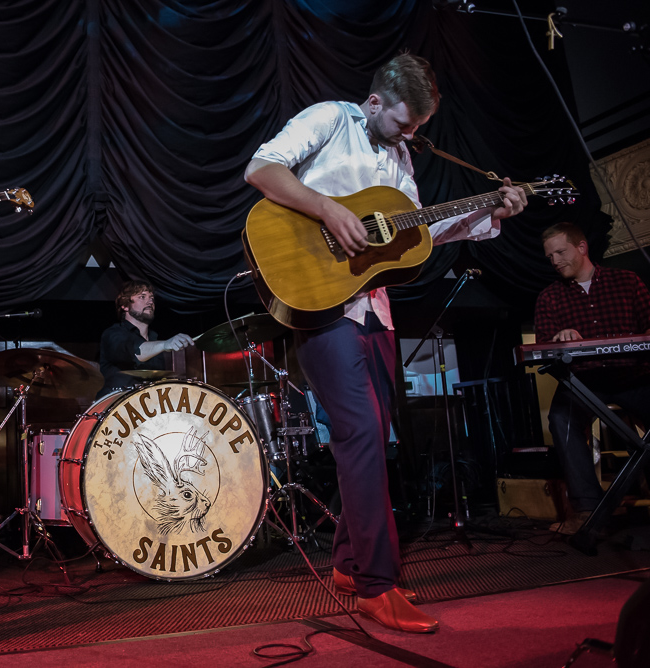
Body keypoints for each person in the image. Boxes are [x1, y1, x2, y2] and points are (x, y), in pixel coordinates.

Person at [244, 53, 527, 633]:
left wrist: (488, 211)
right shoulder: (330, 119)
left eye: (417, 129)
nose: (409, 136)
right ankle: (378, 584)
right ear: (375, 102)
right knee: (361, 434)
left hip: (375, 312)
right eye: (403, 124)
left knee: (372, 437)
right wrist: (325, 208)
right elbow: (261, 168)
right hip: (321, 303)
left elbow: (419, 227)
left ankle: (350, 563)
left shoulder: (399, 158)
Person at [534, 222, 650, 535]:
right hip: (582, 384)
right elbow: (542, 346)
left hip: (633, 375)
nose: (555, 261)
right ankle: (586, 510)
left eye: (560, 252)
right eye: (550, 256)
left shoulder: (626, 281)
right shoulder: (549, 298)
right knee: (561, 419)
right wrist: (560, 339)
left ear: (582, 247)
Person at [98, 281, 194, 397]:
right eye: (142, 297)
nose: (150, 302)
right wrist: (164, 345)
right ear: (125, 305)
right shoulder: (113, 334)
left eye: (152, 298)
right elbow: (136, 352)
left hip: (149, 406)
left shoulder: (155, 338)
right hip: (116, 405)